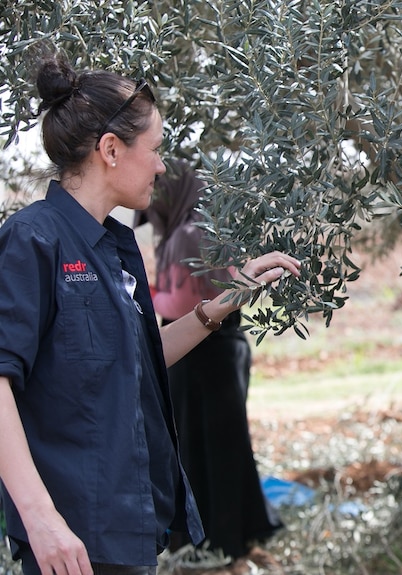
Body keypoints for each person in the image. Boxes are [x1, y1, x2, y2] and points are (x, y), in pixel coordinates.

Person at [0, 52, 301, 575]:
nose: (163, 166)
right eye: (156, 149)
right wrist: (41, 518)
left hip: (130, 528)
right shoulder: (32, 240)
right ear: (111, 150)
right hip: (71, 540)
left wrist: (232, 296)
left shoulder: (117, 247)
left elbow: (136, 358)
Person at [138, 161, 283, 573]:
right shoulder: (206, 223)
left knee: (202, 451)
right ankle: (232, 542)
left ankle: (212, 547)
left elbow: (178, 304)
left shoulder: (187, 233)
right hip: (223, 346)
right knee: (226, 446)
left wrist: (144, 295)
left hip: (199, 350)